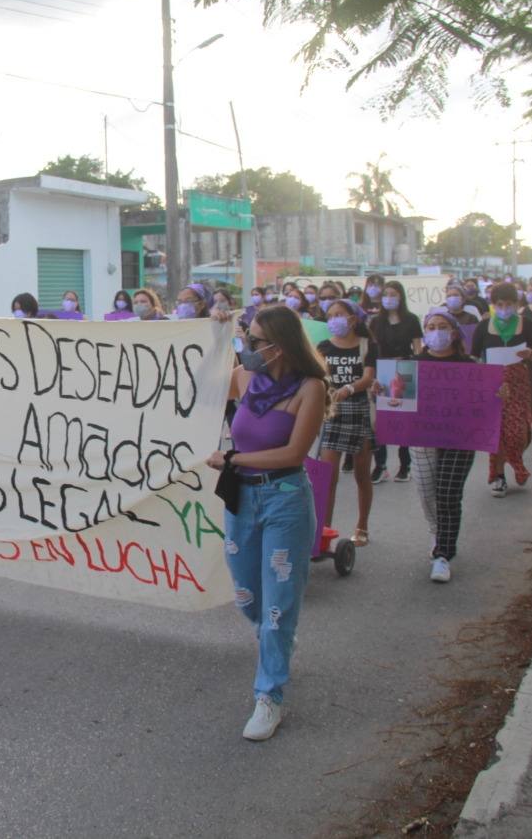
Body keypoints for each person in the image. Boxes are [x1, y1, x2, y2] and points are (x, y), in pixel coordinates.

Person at [207, 306, 331, 740]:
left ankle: (269, 694)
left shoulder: (310, 388)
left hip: (285, 501)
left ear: (280, 345)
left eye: (254, 340)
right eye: (246, 338)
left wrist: (233, 458)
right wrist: (220, 333)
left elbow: (294, 454)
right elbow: (199, 385)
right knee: (246, 595)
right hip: (242, 497)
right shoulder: (244, 377)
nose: (248, 347)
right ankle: (274, 640)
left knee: (279, 604)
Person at [406, 309, 479, 583]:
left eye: (443, 326)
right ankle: (439, 532)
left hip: (460, 438)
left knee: (448, 494)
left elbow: (482, 403)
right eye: (432, 326)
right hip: (423, 437)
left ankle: (443, 554)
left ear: (454, 331)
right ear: (425, 333)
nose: (437, 331)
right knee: (427, 493)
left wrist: (498, 395)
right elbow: (399, 401)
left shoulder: (471, 367)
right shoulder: (413, 364)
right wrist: (385, 391)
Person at [316, 300, 378, 546]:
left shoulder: (367, 345)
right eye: (329, 315)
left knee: (362, 475)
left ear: (353, 319)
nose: (333, 319)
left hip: (359, 411)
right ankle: (324, 532)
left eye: (339, 314)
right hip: (332, 412)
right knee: (328, 476)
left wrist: (349, 388)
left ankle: (362, 527)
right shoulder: (324, 347)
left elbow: (369, 377)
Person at [471, 283, 532, 496]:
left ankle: (517, 463)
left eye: (508, 304)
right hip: (491, 385)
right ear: (493, 305)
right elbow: (474, 356)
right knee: (497, 433)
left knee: (517, 431)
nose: (504, 309)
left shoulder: (526, 324)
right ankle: (499, 475)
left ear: (516, 304)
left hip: (518, 384)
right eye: (499, 304)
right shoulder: (483, 327)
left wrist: (530, 354)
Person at [368, 282, 423, 483]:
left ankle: (405, 464)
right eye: (386, 294)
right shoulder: (375, 322)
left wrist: (418, 370)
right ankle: (380, 464)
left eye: (393, 294)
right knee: (380, 420)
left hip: (405, 368)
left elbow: (418, 348)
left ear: (401, 297)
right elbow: (372, 349)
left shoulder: (411, 320)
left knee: (404, 418)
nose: (389, 297)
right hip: (382, 370)